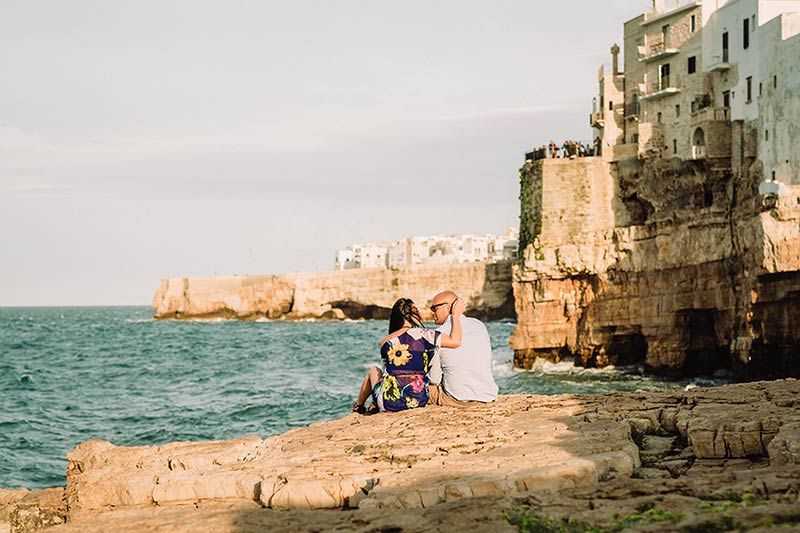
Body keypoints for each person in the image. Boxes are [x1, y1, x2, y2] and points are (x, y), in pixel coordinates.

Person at [352, 297, 466, 414]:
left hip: (388, 403)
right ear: (413, 314)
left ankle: (359, 406)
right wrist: (455, 316)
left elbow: (387, 372)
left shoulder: (386, 341)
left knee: (374, 370)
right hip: (418, 400)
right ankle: (370, 404)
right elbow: (455, 341)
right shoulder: (425, 334)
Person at [427, 291, 498, 406]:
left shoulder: (438, 334)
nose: (431, 313)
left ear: (449, 307)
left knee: (417, 389)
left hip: (457, 399)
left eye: (434, 308)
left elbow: (434, 379)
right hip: (487, 395)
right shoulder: (479, 325)